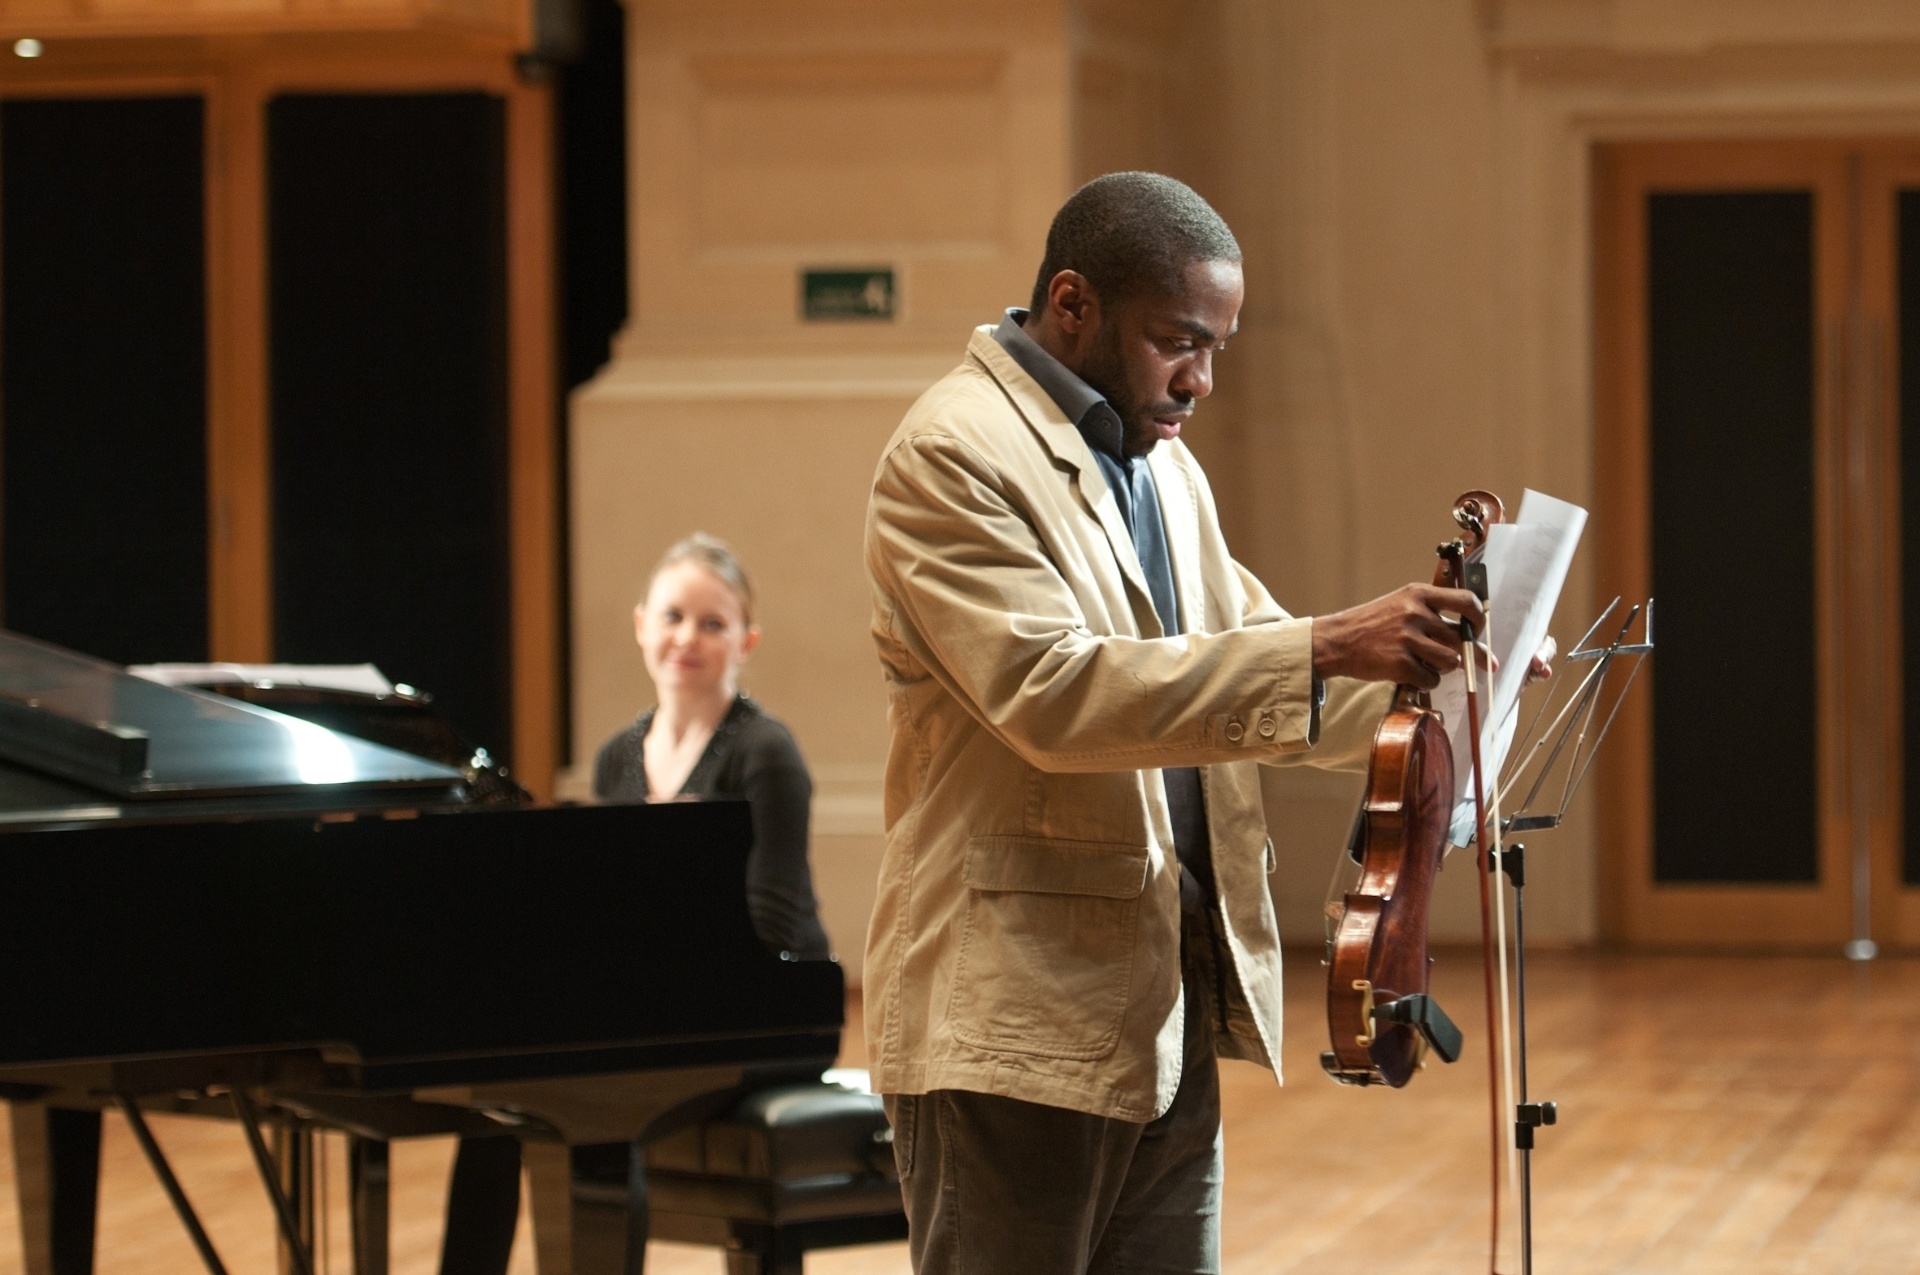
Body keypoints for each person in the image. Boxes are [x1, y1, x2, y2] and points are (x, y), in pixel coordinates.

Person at [862, 172, 1493, 1273]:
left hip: (1157, 1006)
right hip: (1011, 1021)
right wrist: (1330, 642)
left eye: (1217, 349)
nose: (1199, 380)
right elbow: (1054, 698)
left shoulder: (1166, 470)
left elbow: (1255, 690)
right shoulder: (952, 454)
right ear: (1072, 304)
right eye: (1176, 341)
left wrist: (1441, 690)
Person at [595, 532, 831, 961]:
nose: (687, 637)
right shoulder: (613, 757)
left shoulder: (767, 752)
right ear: (641, 626)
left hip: (766, 995)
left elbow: (774, 925)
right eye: (672, 616)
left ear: (746, 642)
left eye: (712, 624)